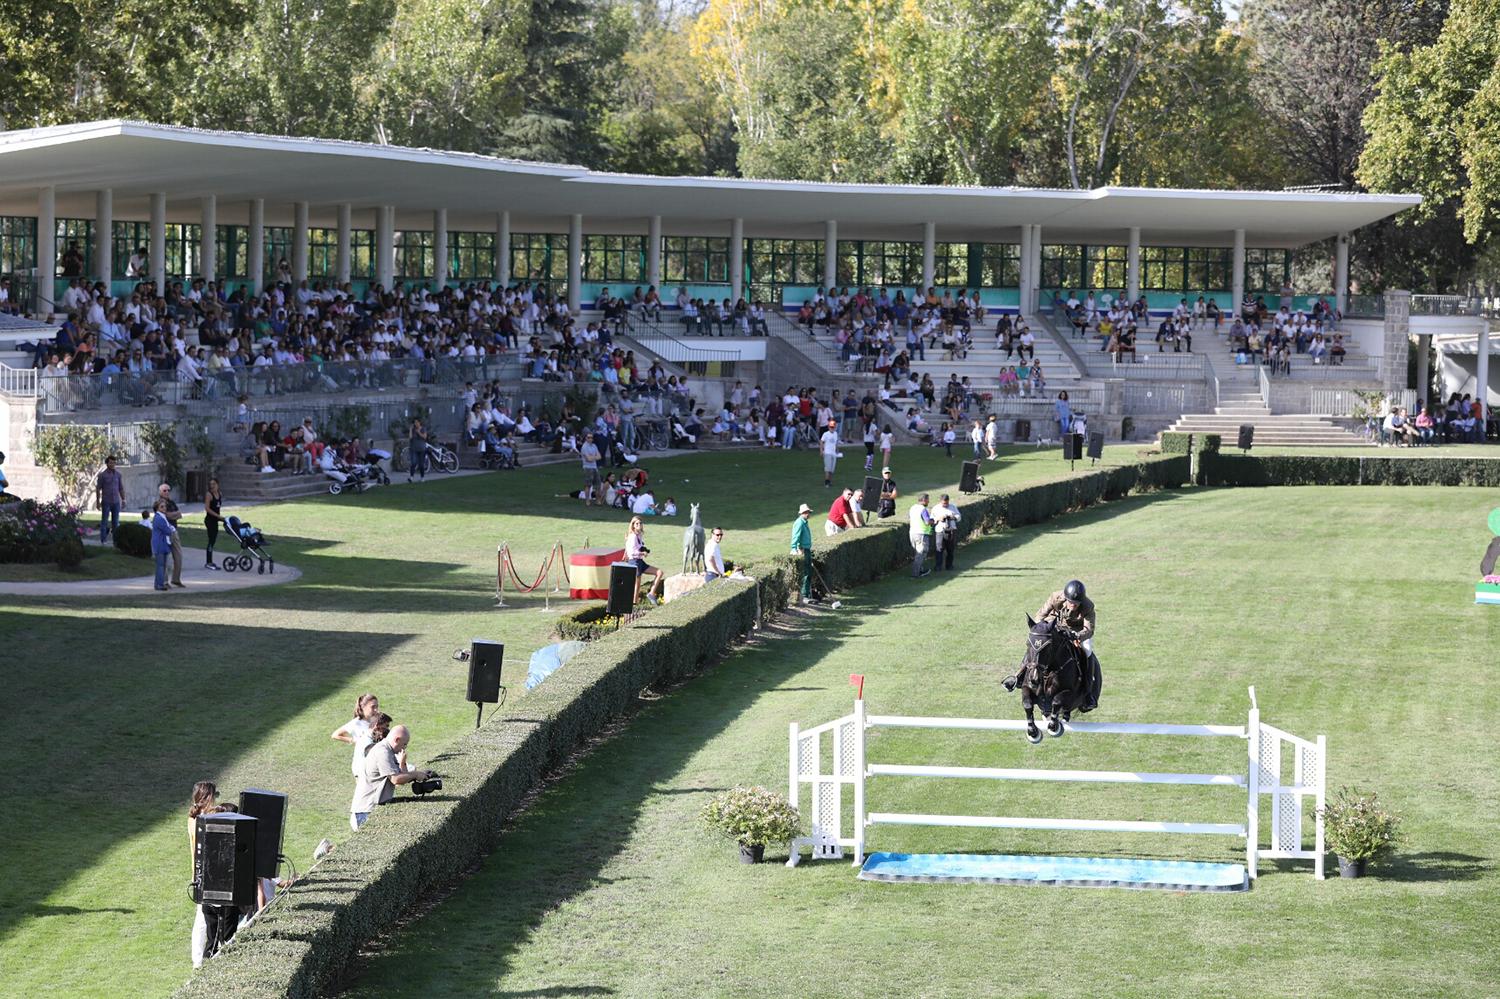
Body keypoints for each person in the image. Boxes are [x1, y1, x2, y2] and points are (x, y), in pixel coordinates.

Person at [1004, 579, 1098, 709]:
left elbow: (1089, 629)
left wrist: (1077, 635)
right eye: (1070, 602)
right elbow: (1040, 615)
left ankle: (1088, 692)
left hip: (1075, 631)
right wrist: (1042, 629)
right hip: (1054, 626)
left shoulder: (1088, 606)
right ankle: (1017, 677)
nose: (1073, 605)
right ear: (1065, 598)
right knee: (1037, 644)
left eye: (1076, 603)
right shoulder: (1055, 597)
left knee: (1087, 650)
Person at [188, 782, 238, 967]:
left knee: (203, 919)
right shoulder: (199, 821)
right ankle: (198, 960)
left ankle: (200, 958)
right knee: (203, 919)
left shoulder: (198, 816)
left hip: (203, 873)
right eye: (213, 796)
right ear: (207, 797)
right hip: (204, 874)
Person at [351, 723, 436, 831]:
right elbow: (396, 779)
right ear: (397, 739)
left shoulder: (388, 751)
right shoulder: (383, 751)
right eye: (404, 744)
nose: (405, 747)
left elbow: (402, 776)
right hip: (365, 811)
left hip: (370, 808)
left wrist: (403, 762)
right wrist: (415, 774)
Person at [331, 693, 381, 778]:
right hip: (361, 766)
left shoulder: (378, 720)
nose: (376, 710)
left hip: (375, 763)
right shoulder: (356, 723)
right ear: (363, 707)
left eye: (377, 706)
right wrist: (353, 740)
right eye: (373, 707)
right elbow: (335, 735)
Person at [625, 515, 664, 606]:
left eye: (640, 523)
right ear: (633, 525)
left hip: (640, 562)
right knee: (637, 585)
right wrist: (642, 553)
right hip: (634, 562)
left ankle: (651, 594)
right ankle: (634, 603)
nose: (639, 525)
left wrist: (644, 550)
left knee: (659, 572)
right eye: (636, 523)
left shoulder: (638, 535)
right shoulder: (633, 536)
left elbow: (637, 548)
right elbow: (632, 552)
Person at [158, 483, 185, 587]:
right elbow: (166, 515)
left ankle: (176, 579)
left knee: (179, 556)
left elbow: (179, 514)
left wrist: (173, 515)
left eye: (168, 490)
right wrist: (174, 515)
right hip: (165, 533)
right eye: (164, 490)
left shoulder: (172, 502)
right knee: (165, 558)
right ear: (160, 492)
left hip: (174, 531)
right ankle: (165, 581)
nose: (167, 492)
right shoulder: (160, 503)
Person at [95, 454, 124, 545]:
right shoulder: (102, 475)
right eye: (111, 463)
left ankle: (116, 541)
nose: (112, 464)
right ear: (107, 463)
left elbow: (121, 488)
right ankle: (103, 540)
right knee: (104, 521)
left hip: (116, 502)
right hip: (106, 501)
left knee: (115, 522)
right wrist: (98, 502)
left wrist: (123, 499)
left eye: (114, 463)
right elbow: (98, 489)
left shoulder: (118, 475)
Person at [791, 502, 815, 604]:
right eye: (808, 512)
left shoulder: (804, 522)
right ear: (803, 513)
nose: (809, 514)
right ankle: (804, 595)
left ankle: (807, 595)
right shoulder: (799, 522)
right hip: (803, 550)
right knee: (805, 573)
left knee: (809, 573)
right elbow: (795, 536)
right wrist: (794, 548)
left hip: (807, 550)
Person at [150, 498, 176, 591]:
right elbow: (167, 530)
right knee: (161, 566)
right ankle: (159, 584)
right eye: (161, 507)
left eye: (165, 506)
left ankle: (158, 584)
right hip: (160, 544)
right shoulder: (158, 518)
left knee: (162, 565)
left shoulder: (162, 516)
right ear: (157, 508)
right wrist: (171, 529)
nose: (164, 508)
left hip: (163, 544)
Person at [931, 493, 961, 571]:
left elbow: (959, 517)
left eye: (947, 503)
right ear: (940, 501)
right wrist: (938, 518)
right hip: (940, 531)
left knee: (950, 549)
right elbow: (931, 520)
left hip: (951, 530)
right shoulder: (935, 508)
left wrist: (953, 517)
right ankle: (938, 566)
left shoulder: (953, 507)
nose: (945, 504)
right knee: (939, 549)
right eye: (944, 503)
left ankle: (949, 565)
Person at [908, 493, 933, 578]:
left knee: (917, 553)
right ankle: (916, 574)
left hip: (912, 533)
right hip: (921, 534)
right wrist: (932, 521)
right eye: (928, 500)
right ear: (923, 500)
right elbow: (927, 522)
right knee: (921, 553)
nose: (929, 501)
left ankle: (920, 570)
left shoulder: (912, 508)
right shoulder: (923, 509)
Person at [203, 477, 225, 569]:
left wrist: (220, 518)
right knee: (211, 541)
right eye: (210, 484)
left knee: (213, 540)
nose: (212, 486)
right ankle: (208, 562)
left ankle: (210, 561)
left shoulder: (220, 494)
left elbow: (218, 508)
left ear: (218, 485)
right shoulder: (209, 494)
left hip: (216, 520)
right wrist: (218, 516)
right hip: (209, 520)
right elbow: (207, 509)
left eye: (214, 484)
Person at [580, 432, 603, 505]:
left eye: (591, 437)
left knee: (598, 485)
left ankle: (597, 500)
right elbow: (588, 459)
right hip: (587, 468)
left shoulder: (594, 446)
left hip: (594, 467)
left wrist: (592, 457)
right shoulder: (584, 447)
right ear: (586, 438)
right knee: (588, 485)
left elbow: (599, 456)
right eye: (588, 437)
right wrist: (594, 457)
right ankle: (587, 500)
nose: (590, 439)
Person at [819, 418, 840, 488]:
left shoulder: (836, 434)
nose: (832, 428)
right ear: (828, 427)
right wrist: (821, 451)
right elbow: (821, 442)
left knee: (832, 469)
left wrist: (837, 450)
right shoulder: (825, 434)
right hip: (827, 453)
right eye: (831, 427)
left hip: (833, 453)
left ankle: (830, 481)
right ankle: (826, 482)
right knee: (828, 468)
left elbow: (836, 443)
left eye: (833, 427)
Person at [407, 417, 429, 483]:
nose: (415, 423)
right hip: (414, 449)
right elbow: (410, 438)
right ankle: (411, 477)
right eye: (414, 422)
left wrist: (419, 432)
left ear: (419, 422)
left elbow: (425, 437)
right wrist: (410, 429)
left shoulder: (423, 429)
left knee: (421, 464)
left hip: (422, 449)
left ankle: (422, 478)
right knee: (413, 463)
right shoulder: (413, 429)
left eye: (417, 422)